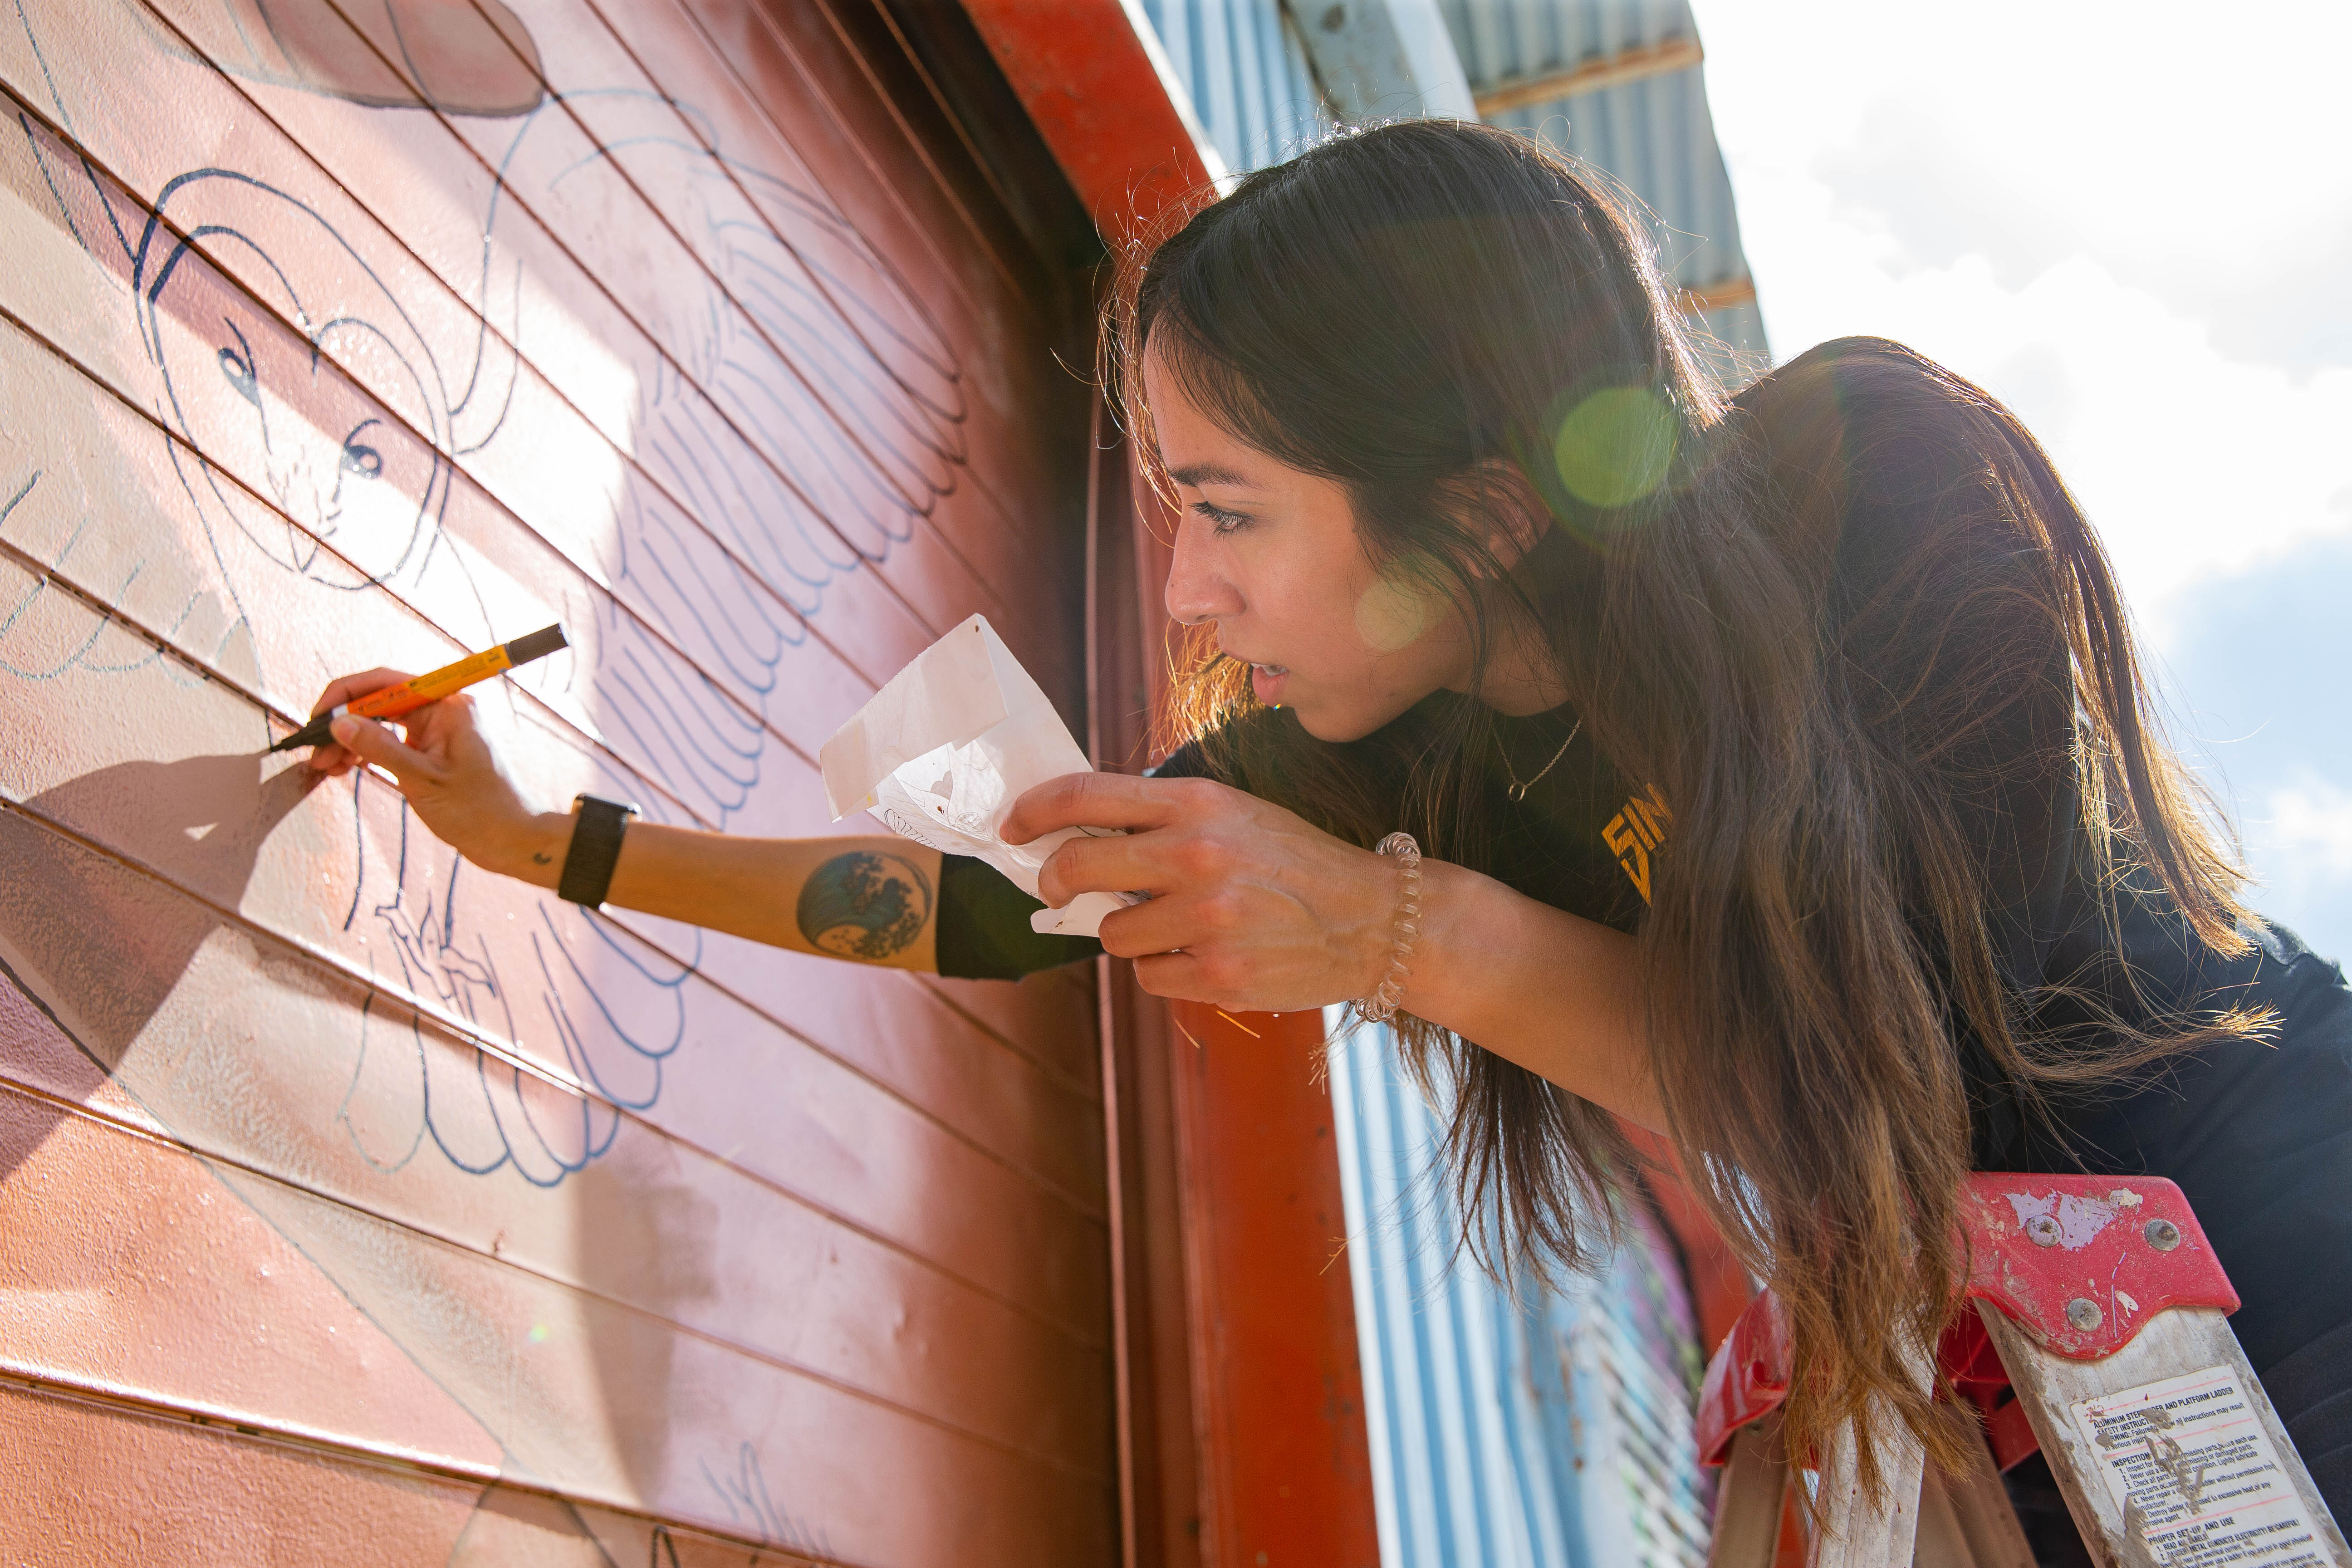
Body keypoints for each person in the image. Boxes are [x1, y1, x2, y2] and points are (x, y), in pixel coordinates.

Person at [307, 120, 2351, 1554]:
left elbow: (1884, 1080)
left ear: (1477, 512)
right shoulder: (1400, 751)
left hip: (2279, 1243)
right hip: (2034, 1390)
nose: (1186, 595)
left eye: (1231, 509)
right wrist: (544, 841)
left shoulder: (1868, 500)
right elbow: (994, 898)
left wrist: (1401, 936)